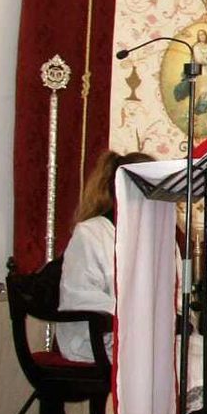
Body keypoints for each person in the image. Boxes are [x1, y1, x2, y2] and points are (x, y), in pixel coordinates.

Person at [58, 150, 154, 363]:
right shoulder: (91, 233)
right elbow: (80, 296)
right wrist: (138, 318)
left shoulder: (159, 237)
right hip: (99, 340)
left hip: (153, 338)